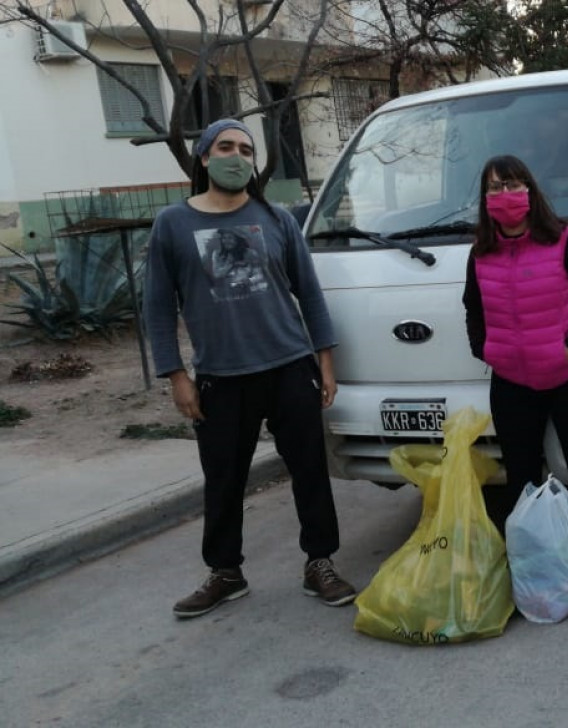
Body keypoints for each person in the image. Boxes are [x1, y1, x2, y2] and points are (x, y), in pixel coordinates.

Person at [144, 118, 356, 619]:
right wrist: (176, 376)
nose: (236, 156)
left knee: (309, 472)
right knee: (222, 478)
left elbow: (310, 292)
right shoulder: (173, 224)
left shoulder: (277, 219)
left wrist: (324, 360)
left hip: (288, 368)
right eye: (225, 147)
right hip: (220, 378)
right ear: (204, 157)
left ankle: (319, 562)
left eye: (245, 148)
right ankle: (226, 572)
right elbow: (157, 306)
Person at [461, 155, 568, 618]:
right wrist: (485, 349)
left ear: (529, 190)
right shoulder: (481, 252)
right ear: (485, 200)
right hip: (512, 382)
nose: (503, 195)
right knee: (520, 483)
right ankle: (534, 573)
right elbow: (472, 307)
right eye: (493, 188)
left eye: (511, 184)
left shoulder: (563, 241)